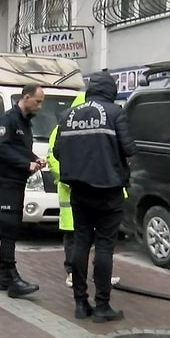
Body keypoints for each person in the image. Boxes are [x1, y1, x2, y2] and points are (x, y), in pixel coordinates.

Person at [53, 71, 135, 322]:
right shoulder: (115, 112)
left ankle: (80, 303)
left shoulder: (68, 115)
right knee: (104, 247)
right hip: (108, 191)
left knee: (80, 243)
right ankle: (102, 306)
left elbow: (57, 151)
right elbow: (129, 148)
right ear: (110, 90)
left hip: (79, 190)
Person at [47, 92, 123, 288]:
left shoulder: (101, 125)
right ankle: (72, 273)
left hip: (95, 190)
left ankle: (100, 275)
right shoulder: (62, 128)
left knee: (99, 239)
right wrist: (70, 177)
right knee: (75, 238)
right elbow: (53, 159)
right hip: (74, 191)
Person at [0, 84, 45, 297]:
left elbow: (19, 148)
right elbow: (1, 148)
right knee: (9, 227)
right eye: (38, 101)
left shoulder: (24, 122)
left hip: (16, 181)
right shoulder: (7, 120)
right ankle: (11, 276)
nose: (40, 106)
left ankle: (3, 278)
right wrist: (25, 165)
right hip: (5, 180)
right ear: (26, 97)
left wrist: (33, 159)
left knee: (11, 228)